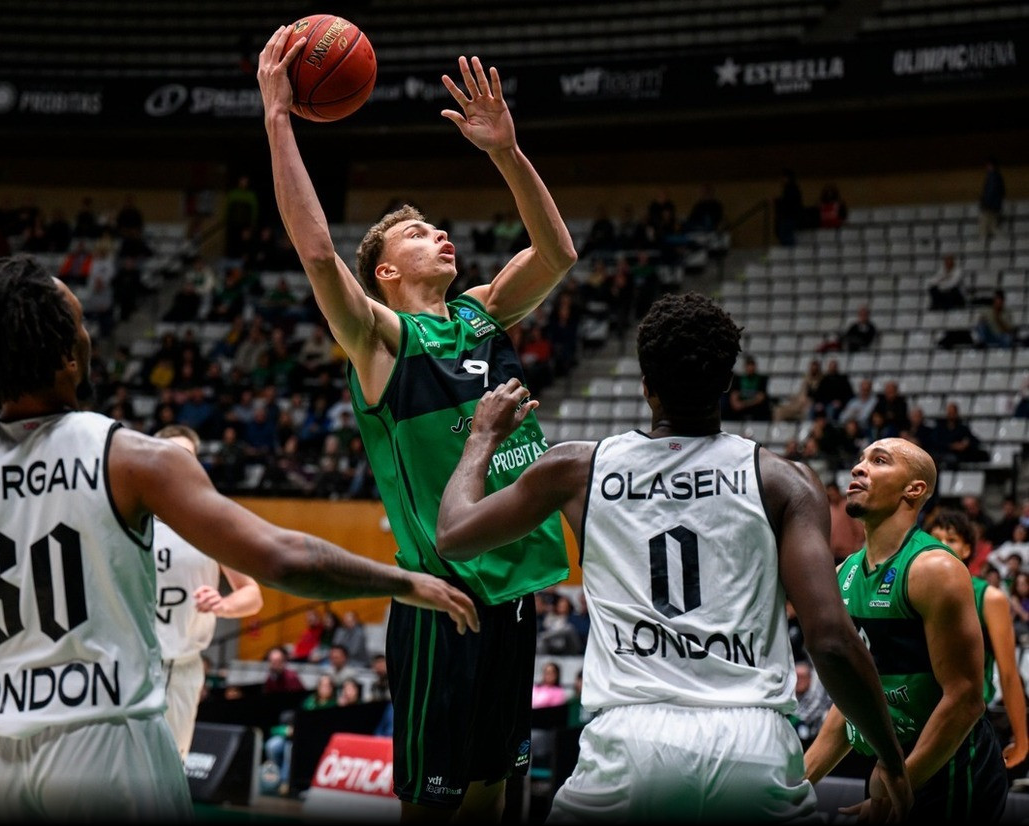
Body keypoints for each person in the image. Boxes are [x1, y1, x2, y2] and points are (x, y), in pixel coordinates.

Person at [0, 257, 478, 822]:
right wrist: (404, 581)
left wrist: (8, 668)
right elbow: (279, 556)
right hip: (109, 745)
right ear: (66, 358)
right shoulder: (132, 457)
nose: (89, 334)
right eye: (81, 324)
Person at [434, 292, 910, 822]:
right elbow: (830, 641)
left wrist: (480, 438)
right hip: (752, 744)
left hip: (626, 741)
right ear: (727, 383)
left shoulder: (575, 468)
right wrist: (891, 759)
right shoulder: (785, 480)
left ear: (646, 384)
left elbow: (453, 534)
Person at [259, 32, 574, 822]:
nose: (438, 233)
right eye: (413, 233)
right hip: (444, 602)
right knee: (434, 805)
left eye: (436, 226)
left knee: (496, 794)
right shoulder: (380, 342)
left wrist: (505, 151)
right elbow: (318, 256)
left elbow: (557, 251)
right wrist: (277, 119)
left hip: (516, 596)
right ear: (386, 274)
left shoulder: (479, 314)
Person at [804, 438, 1007, 824]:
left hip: (950, 770)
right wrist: (796, 784)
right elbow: (852, 702)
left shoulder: (935, 570)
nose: (858, 468)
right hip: (894, 769)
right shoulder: (845, 572)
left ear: (913, 490)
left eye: (879, 461)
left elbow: (965, 699)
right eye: (860, 459)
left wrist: (899, 784)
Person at [152, 424, 264, 760]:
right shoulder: (128, 513)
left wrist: (225, 605)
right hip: (127, 661)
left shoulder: (212, 521)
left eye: (187, 455)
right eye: (170, 453)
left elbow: (252, 594)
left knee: (167, 772)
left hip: (179, 664)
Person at [927, 508, 1028, 771]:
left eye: (951, 539)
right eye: (934, 538)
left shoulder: (988, 598)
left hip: (964, 726)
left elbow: (1008, 674)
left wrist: (1022, 739)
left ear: (967, 549)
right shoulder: (904, 592)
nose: (941, 545)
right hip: (912, 721)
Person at [979, 157, 1005, 241]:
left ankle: (983, 245)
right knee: (993, 227)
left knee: (984, 227)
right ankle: (1003, 241)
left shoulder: (993, 177)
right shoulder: (998, 177)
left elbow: (991, 192)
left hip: (989, 207)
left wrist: (985, 203)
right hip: (995, 207)